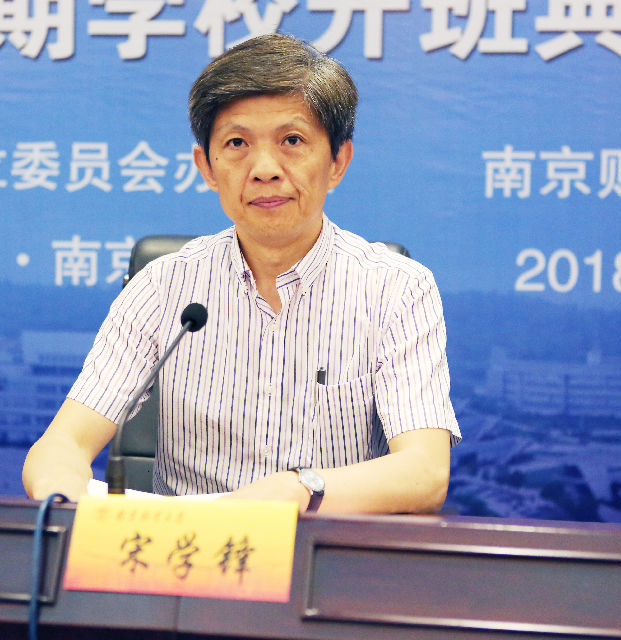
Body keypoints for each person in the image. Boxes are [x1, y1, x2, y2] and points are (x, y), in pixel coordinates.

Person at [23, 34, 461, 514]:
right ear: (207, 168)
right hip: (186, 553)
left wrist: (300, 490)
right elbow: (61, 445)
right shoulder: (163, 288)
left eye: (292, 141)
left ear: (338, 161)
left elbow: (424, 473)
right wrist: (62, 493)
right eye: (237, 144)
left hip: (327, 550)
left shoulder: (397, 289)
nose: (265, 169)